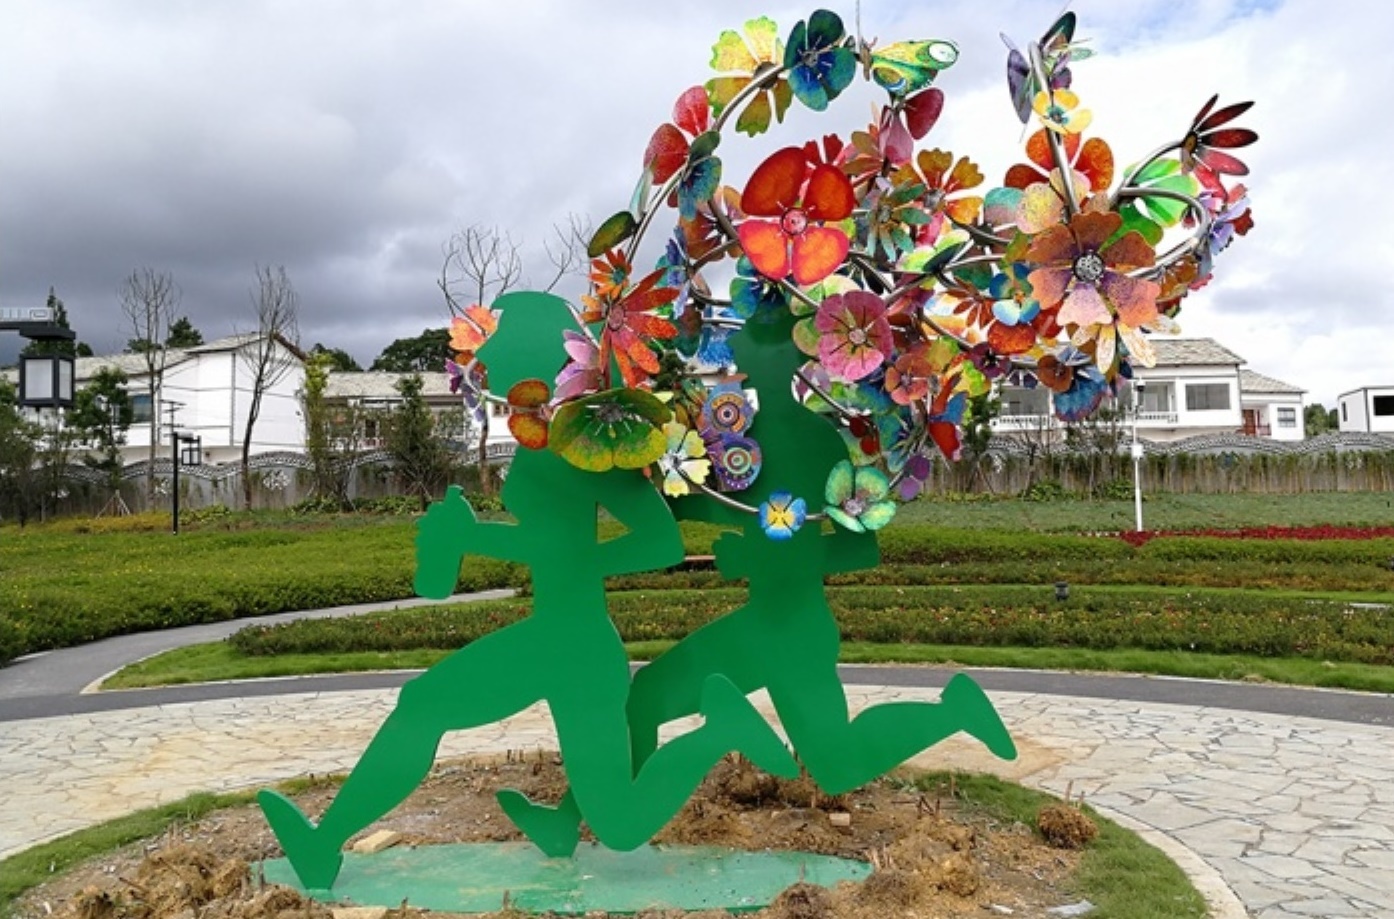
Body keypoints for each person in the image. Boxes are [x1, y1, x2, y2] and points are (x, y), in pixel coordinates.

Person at [258, 290, 796, 890]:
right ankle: (326, 844)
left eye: (506, 360)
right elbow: (549, 547)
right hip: (563, 643)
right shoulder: (542, 443)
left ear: (544, 362)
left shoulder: (588, 448)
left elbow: (659, 543)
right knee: (613, 818)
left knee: (430, 711)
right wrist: (470, 539)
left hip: (572, 646)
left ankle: (722, 730)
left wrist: (512, 547)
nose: (498, 375)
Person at [625, 306, 1018, 794]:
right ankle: (624, 808)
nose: (754, 369)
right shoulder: (736, 443)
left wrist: (757, 560)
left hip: (797, 632)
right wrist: (642, 475)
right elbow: (721, 508)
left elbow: (858, 550)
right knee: (645, 698)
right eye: (747, 358)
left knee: (837, 766)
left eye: (766, 357)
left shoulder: (817, 443)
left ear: (792, 363)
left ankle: (956, 711)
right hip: (760, 625)